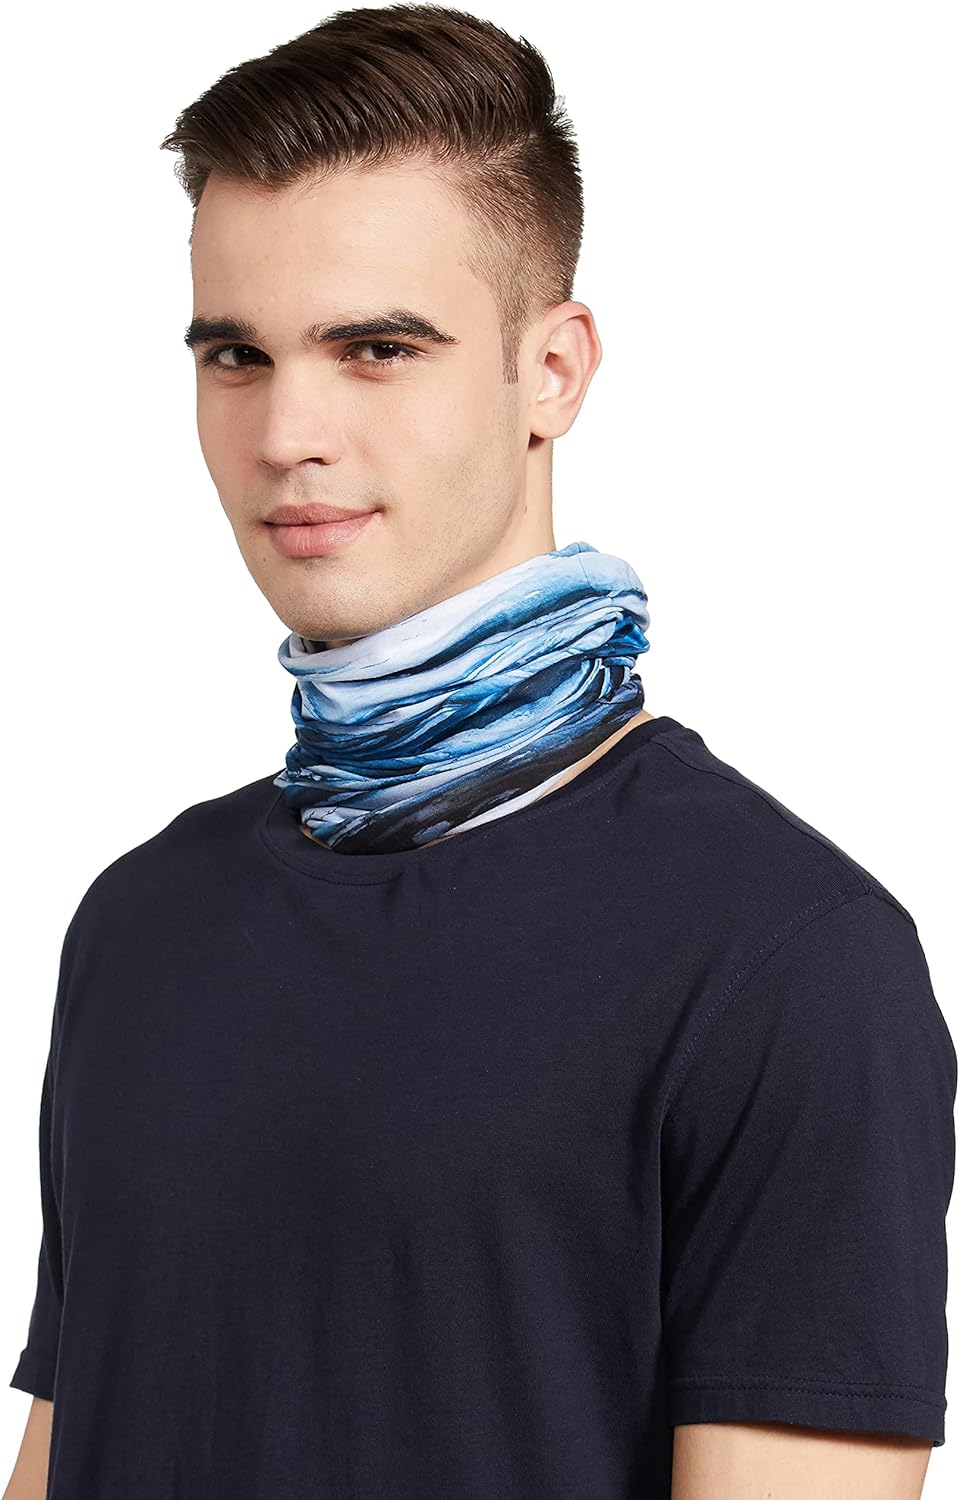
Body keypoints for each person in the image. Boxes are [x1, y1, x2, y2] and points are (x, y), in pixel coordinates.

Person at [4, 6, 954, 1498]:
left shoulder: (789, 958)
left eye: (377, 349)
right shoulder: (138, 922)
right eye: (237, 354)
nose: (287, 432)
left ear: (554, 370)